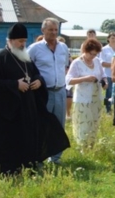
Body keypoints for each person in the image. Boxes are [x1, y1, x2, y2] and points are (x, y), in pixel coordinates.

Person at [0, 23, 70, 174]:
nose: (23, 44)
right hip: (6, 111)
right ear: (10, 40)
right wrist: (15, 84)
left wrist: (39, 80)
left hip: (26, 107)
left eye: (24, 41)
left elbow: (35, 73)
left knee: (28, 136)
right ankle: (7, 168)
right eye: (19, 41)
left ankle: (28, 164)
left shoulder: (25, 57)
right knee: (9, 139)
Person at [28, 17, 70, 164]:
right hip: (42, 93)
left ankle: (55, 158)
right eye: (50, 29)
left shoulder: (63, 48)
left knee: (59, 125)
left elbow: (65, 66)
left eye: (55, 30)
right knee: (41, 124)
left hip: (60, 91)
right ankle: (38, 158)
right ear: (43, 30)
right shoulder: (34, 48)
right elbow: (27, 69)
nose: (53, 32)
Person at [65, 38, 106, 147]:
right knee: (83, 122)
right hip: (83, 98)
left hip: (96, 97)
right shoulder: (77, 63)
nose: (93, 56)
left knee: (94, 121)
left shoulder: (97, 61)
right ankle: (82, 146)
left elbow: (103, 75)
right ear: (85, 50)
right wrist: (84, 78)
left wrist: (105, 82)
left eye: (95, 54)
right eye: (91, 54)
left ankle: (91, 144)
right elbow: (68, 80)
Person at [99, 32, 115, 114]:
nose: (114, 40)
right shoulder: (104, 49)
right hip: (107, 74)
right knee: (109, 91)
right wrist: (113, 65)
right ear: (108, 39)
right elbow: (101, 62)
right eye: (112, 38)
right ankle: (108, 109)